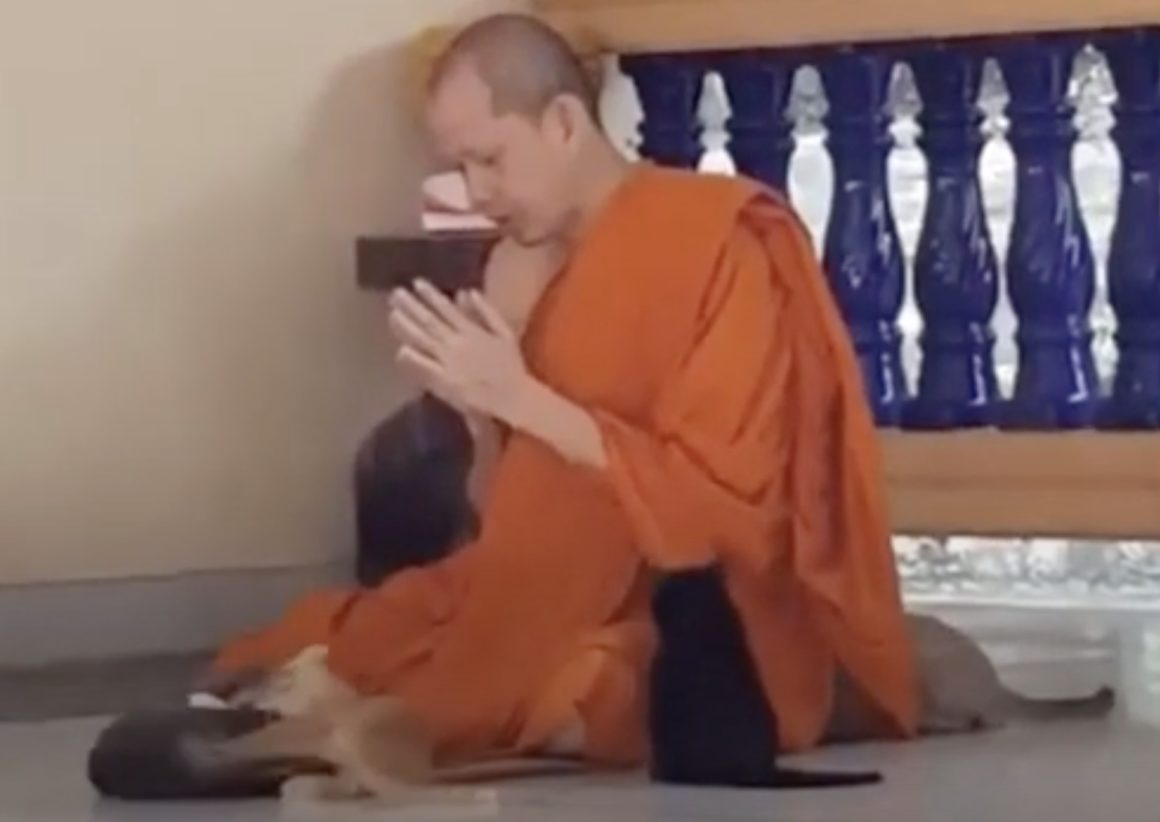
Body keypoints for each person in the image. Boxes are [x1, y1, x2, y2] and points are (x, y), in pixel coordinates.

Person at [204, 12, 920, 769]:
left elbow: (726, 519)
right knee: (351, 627)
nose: (478, 193)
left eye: (490, 160)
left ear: (564, 123)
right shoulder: (521, 266)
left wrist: (520, 397)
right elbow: (510, 519)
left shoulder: (717, 244)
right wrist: (479, 417)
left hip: (701, 602)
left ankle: (376, 719)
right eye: (461, 168)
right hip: (546, 594)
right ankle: (381, 711)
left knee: (591, 687)